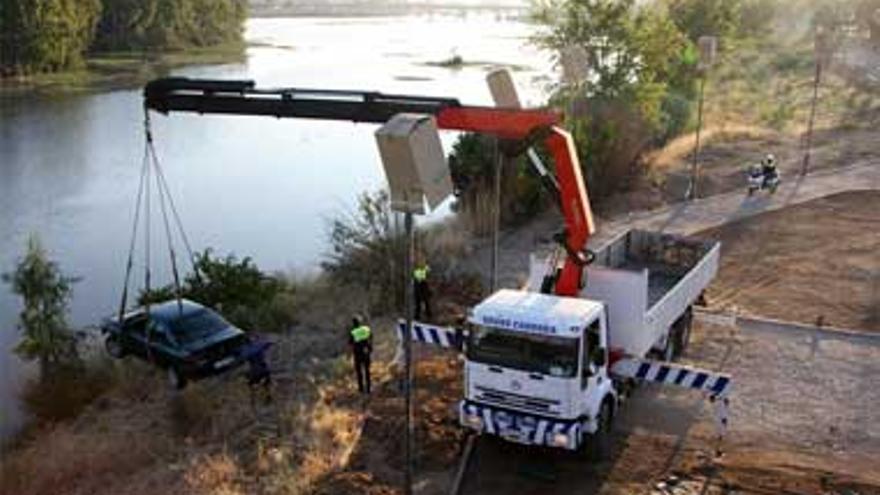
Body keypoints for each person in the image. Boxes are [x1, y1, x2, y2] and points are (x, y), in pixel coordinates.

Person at [349, 315, 372, 394]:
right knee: (367, 371)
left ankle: (361, 389)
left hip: (358, 354)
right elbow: (371, 338)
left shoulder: (353, 332)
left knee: (359, 372)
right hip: (366, 352)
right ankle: (369, 388)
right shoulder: (366, 329)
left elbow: (350, 343)